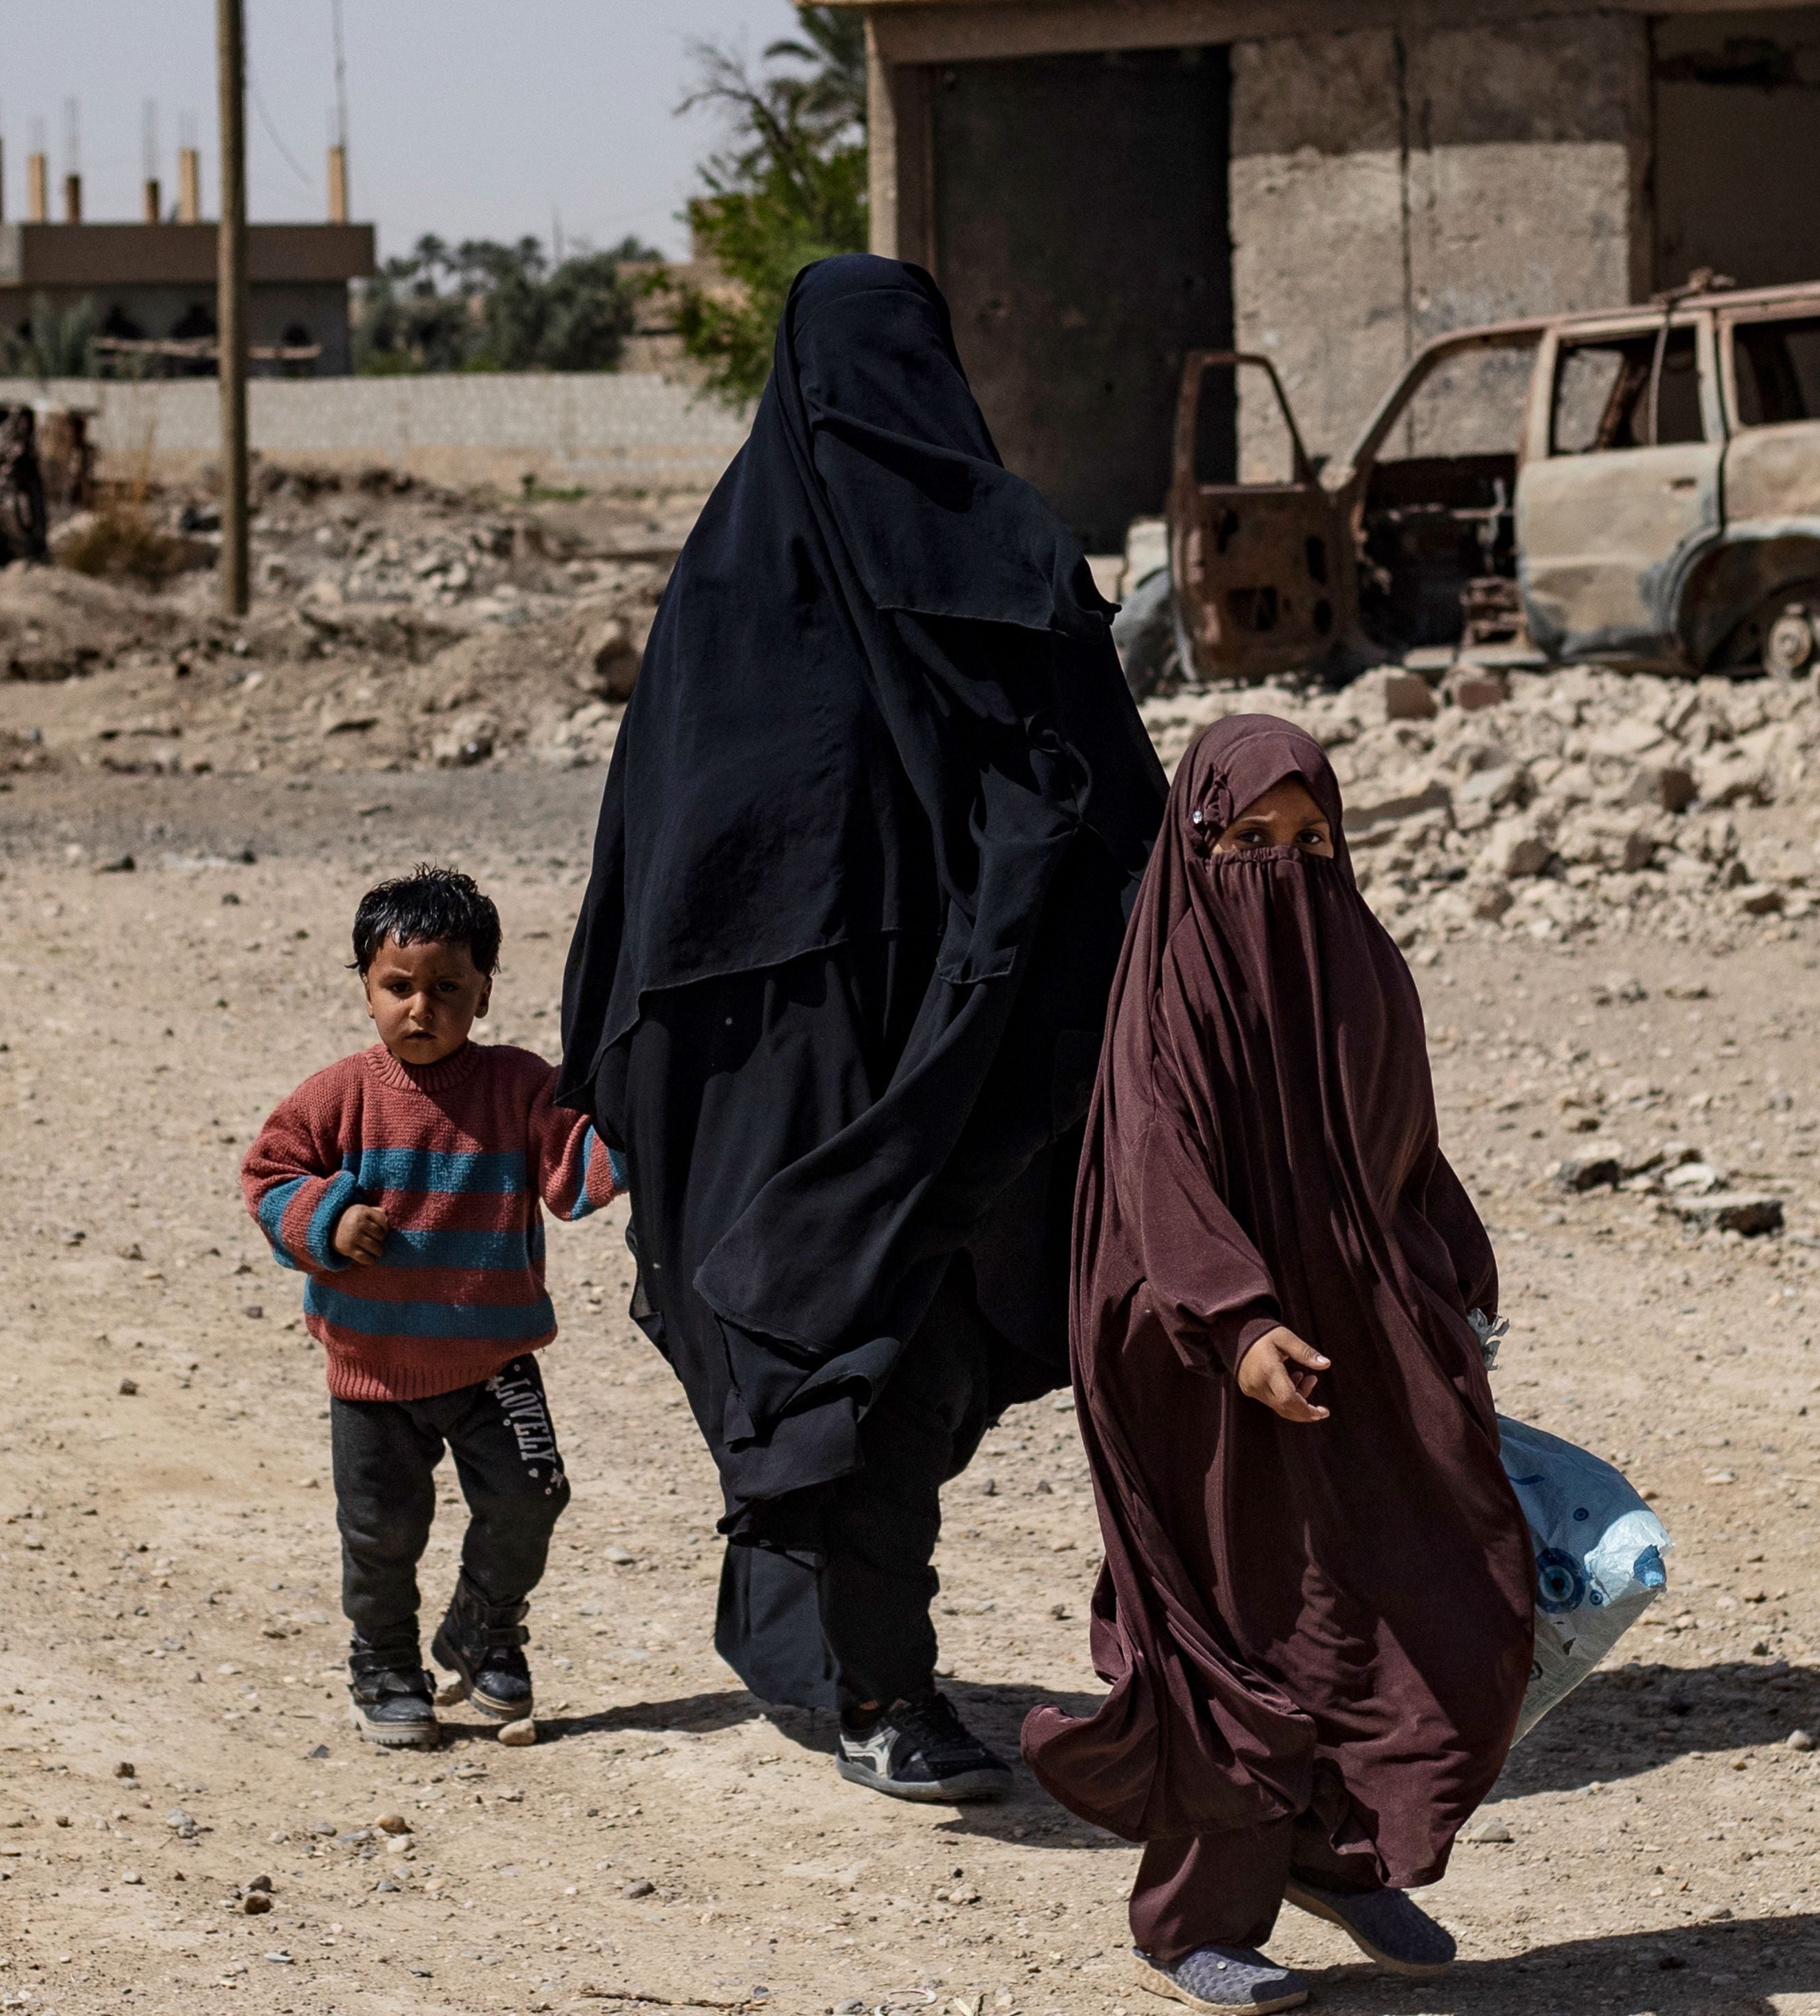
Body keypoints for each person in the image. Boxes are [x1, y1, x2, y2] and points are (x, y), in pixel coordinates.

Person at [558, 254, 1167, 1801]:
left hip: (955, 1055)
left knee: (909, 1355)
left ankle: (807, 1635)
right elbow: (653, 842)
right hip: (773, 1060)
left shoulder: (770, 577)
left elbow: (1101, 801)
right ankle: (877, 1689)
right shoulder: (754, 587)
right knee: (837, 1358)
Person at [1021, 716, 1533, 2015]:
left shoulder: (1361, 964)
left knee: (1384, 1595)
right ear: (1199, 846)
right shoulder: (1173, 994)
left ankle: (1337, 1851)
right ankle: (1191, 1920)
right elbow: (1158, 1173)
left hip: (1356, 1340)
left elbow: (1403, 1147)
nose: (1286, 867)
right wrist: (1239, 1325)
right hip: (1192, 1358)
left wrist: (1451, 1276)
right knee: (1236, 1624)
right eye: (1252, 840)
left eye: (1312, 840)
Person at [242, 866, 626, 1751]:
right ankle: (383, 1663)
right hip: (371, 1366)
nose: (423, 1007)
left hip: (493, 1361)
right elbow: (269, 1172)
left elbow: (576, 1168)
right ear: (366, 987)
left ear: (485, 990)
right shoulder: (338, 1094)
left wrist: (646, 1125)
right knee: (380, 1534)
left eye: (448, 988)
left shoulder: (522, 1085)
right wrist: (328, 1221)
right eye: (399, 987)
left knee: (533, 1496)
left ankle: (483, 1629)